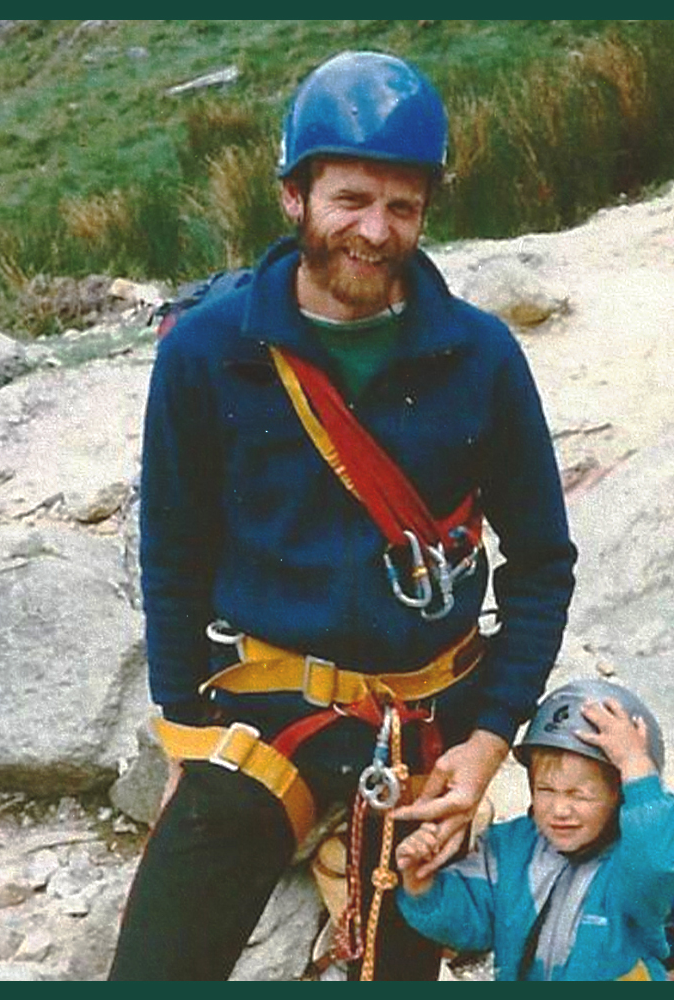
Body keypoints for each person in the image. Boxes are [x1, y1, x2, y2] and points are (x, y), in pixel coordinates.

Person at [108, 49, 577, 981]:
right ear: (295, 197)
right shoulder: (208, 354)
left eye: (401, 208)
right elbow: (174, 554)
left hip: (425, 719)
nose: (375, 230)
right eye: (351, 200)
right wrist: (180, 736)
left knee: (394, 969)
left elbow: (541, 564)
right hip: (266, 708)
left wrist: (485, 751)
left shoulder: (479, 358)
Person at [394, 679, 674, 981]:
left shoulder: (630, 867)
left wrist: (636, 765)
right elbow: (471, 923)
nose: (559, 809)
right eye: (546, 789)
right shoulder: (510, 848)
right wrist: (423, 888)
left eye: (580, 794)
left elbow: (662, 864)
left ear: (620, 797)